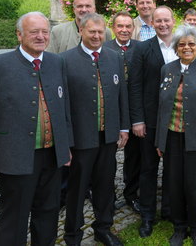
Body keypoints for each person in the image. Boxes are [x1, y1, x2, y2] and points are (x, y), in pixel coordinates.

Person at [0, 12, 73, 246]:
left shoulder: (57, 62)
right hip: (15, 157)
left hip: (51, 156)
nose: (40, 36)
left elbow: (63, 107)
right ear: (19, 35)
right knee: (14, 218)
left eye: (45, 31)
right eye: (33, 32)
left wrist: (66, 147)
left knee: (48, 213)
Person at [61, 13, 129, 246]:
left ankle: (103, 228)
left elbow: (122, 95)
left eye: (101, 32)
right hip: (81, 139)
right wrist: (66, 140)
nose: (97, 36)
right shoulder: (65, 60)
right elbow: (62, 105)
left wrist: (123, 127)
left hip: (108, 136)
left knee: (105, 185)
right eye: (92, 32)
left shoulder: (114, 57)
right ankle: (73, 235)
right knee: (77, 190)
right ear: (81, 30)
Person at [154, 25, 196, 246]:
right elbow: (162, 109)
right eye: (182, 44)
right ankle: (179, 227)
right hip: (173, 138)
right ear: (176, 48)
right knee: (174, 184)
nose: (186, 48)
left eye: (191, 44)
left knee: (195, 187)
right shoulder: (167, 69)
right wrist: (160, 141)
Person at [128, 6, 177, 237]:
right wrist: (137, 120)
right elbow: (134, 85)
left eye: (166, 20)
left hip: (176, 119)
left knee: (173, 168)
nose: (163, 24)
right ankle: (147, 215)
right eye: (158, 21)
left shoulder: (183, 45)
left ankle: (168, 209)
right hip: (150, 120)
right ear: (153, 23)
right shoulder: (142, 48)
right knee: (148, 169)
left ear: (173, 21)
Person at [105, 11, 141, 214]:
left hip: (133, 109)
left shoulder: (140, 48)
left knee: (133, 157)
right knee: (107, 159)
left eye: (128, 26)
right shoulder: (104, 48)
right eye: (120, 26)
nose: (125, 30)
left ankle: (131, 194)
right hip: (111, 110)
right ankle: (106, 197)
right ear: (113, 28)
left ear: (133, 28)